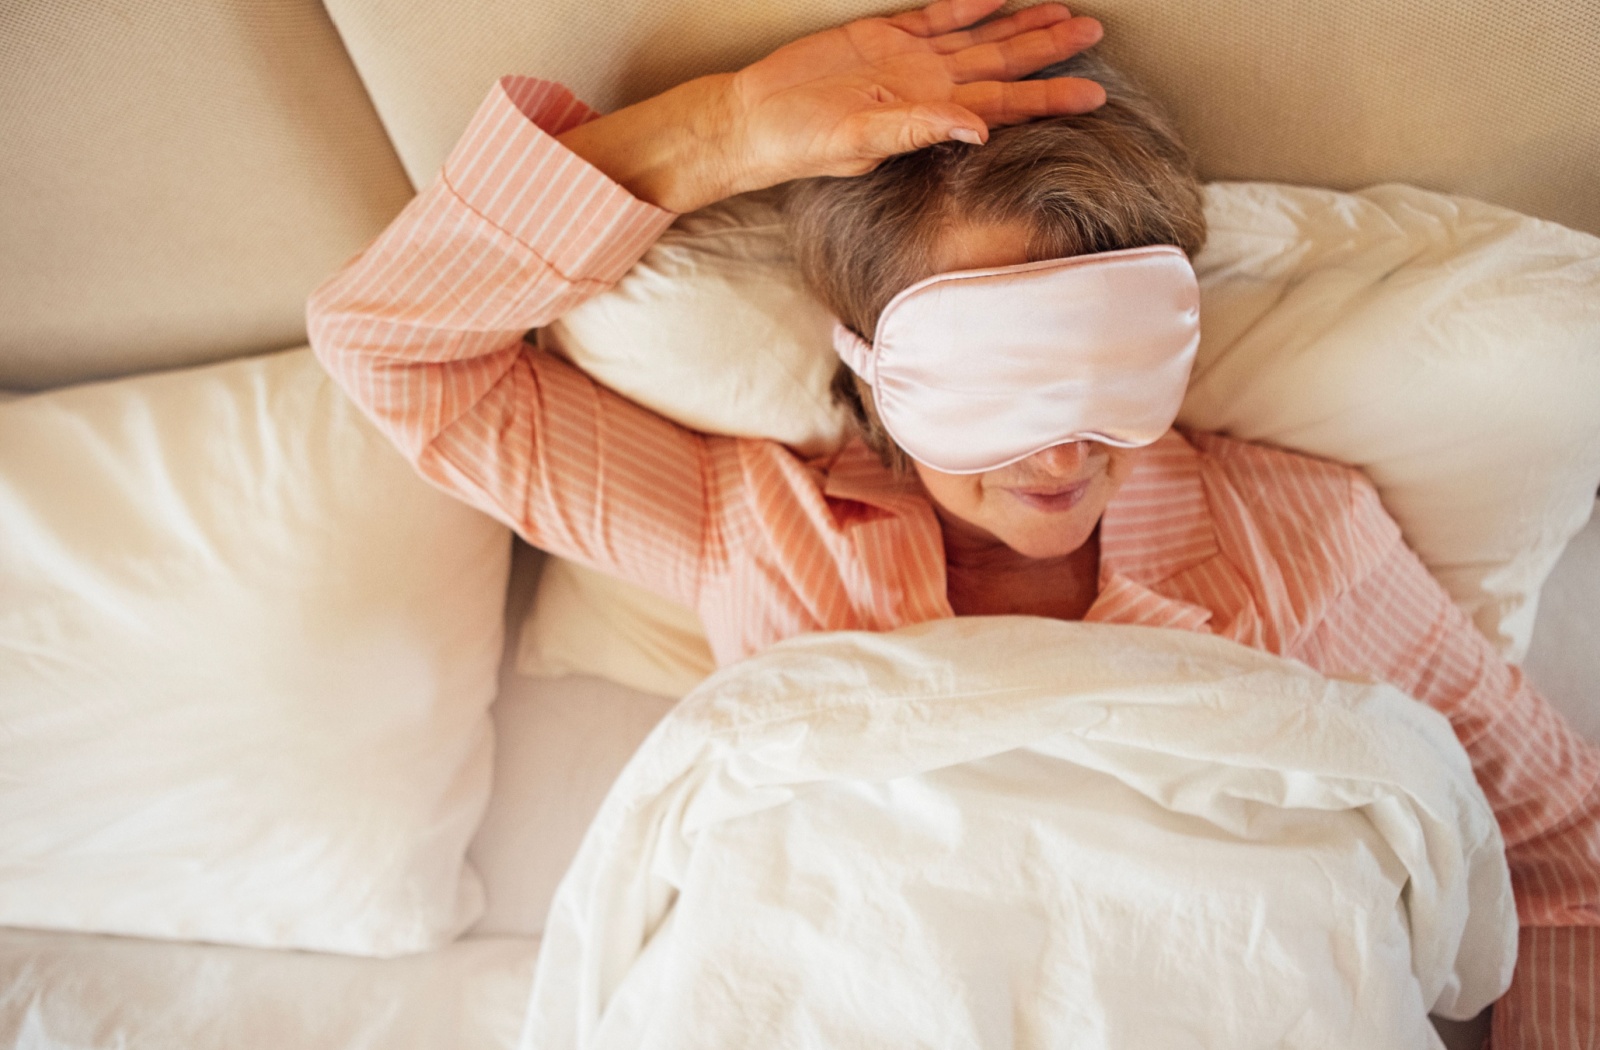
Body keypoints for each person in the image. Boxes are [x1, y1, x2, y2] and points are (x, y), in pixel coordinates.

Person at [307, 1, 1597, 1043]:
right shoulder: (759, 521)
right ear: (868, 365)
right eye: (1000, 382)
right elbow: (399, 354)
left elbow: (1565, 867)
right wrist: (727, 131)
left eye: (1108, 371)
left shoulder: (1299, 542)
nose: (1063, 447)